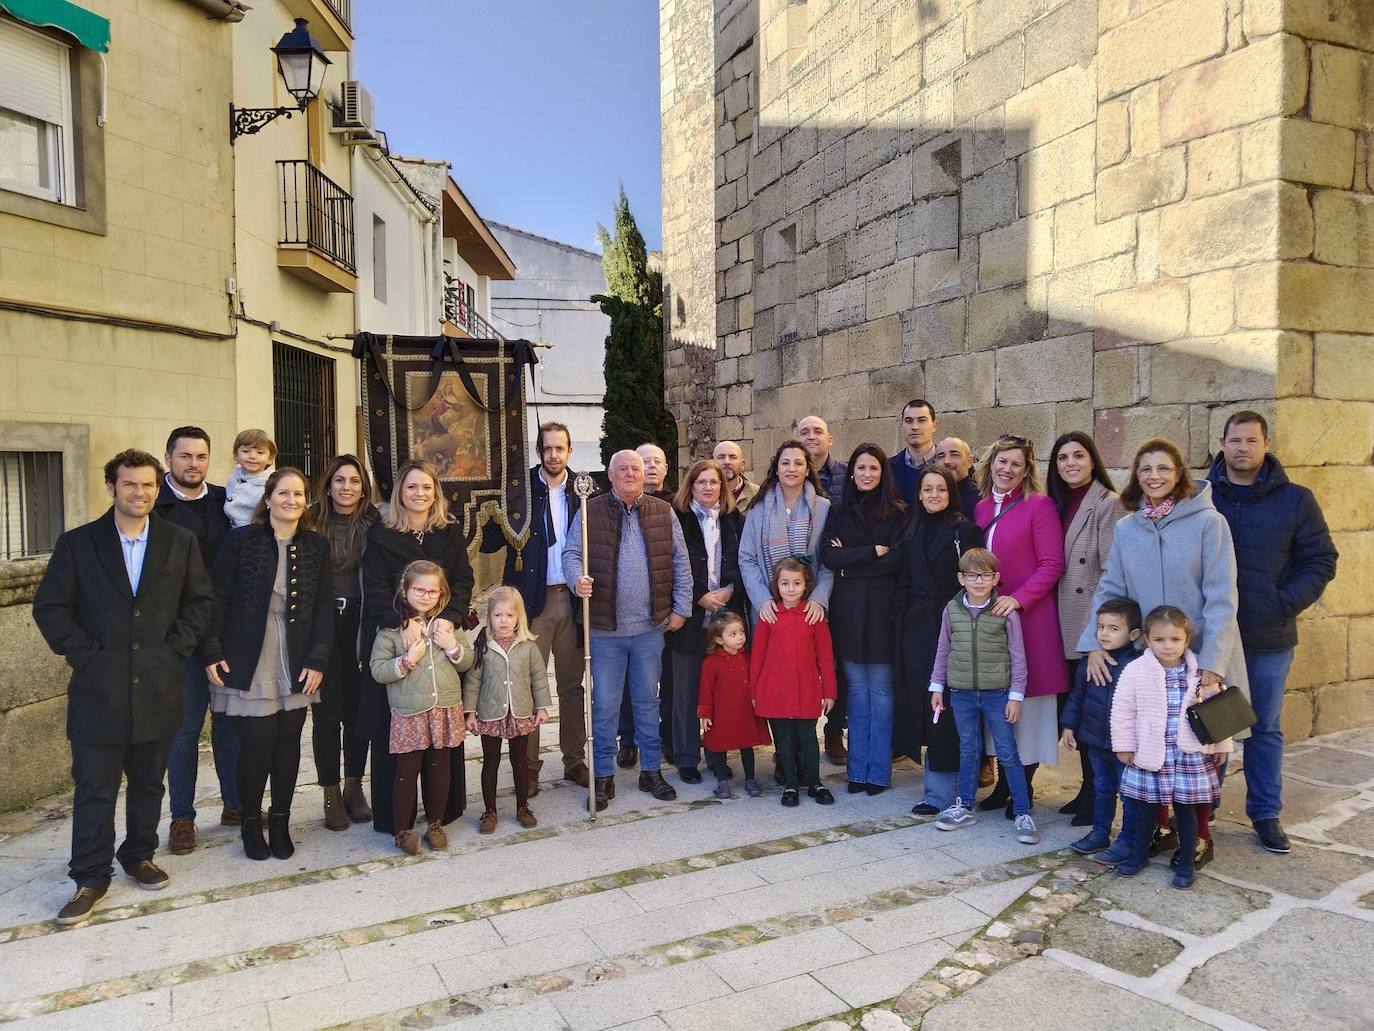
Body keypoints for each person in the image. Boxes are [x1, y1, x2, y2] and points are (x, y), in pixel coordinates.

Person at [34, 449, 216, 926]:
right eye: (131, 484)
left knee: (149, 782)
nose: (141, 493)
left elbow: (200, 602)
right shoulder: (78, 544)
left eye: (149, 485)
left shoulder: (180, 542)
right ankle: (90, 876)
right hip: (99, 689)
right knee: (94, 788)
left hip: (158, 684)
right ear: (112, 487)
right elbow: (51, 608)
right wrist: (85, 654)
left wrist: (174, 649)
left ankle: (138, 854)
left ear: (159, 488)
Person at [1207, 410, 1338, 854]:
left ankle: (1264, 812)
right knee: (1213, 724)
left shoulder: (1296, 500)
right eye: (1235, 440)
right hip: (1215, 638)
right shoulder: (1202, 497)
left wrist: (1283, 603)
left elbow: (1320, 560)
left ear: (1266, 445)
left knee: (1263, 726)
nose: (1242, 448)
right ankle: (1203, 807)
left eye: (1251, 441)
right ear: (1222, 443)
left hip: (1268, 636)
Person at [202, 468, 333, 861]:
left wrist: (317, 658)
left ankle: (280, 820)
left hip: (295, 655)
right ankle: (248, 823)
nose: (291, 500)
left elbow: (324, 606)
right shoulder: (241, 540)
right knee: (257, 745)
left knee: (288, 744)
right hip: (248, 654)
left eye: (298, 494)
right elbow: (214, 599)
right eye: (283, 493)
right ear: (269, 498)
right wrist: (210, 650)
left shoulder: (315, 545)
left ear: (305, 500)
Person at [563, 450, 693, 810]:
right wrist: (577, 580)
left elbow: (679, 560)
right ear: (610, 473)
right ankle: (603, 775)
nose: (631, 474)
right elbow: (571, 554)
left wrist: (682, 606)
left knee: (647, 702)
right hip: (606, 631)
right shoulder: (591, 511)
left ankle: (651, 770)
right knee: (604, 704)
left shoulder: (663, 511)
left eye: (636, 468)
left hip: (650, 629)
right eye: (623, 469)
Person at [361, 459, 475, 835]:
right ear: (399, 492)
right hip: (398, 633)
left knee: (441, 733)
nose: (420, 494)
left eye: (426, 487)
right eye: (412, 487)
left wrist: (451, 617)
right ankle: (398, 821)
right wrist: (401, 619)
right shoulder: (381, 535)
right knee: (399, 732)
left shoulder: (450, 532)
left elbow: (462, 578)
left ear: (435, 493)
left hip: (442, 632)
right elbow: (374, 584)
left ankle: (442, 813)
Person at [479, 421, 588, 790]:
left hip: (572, 600)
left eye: (560, 448)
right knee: (526, 686)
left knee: (572, 686)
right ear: (538, 451)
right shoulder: (519, 490)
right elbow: (490, 542)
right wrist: (487, 507)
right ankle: (528, 769)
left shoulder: (584, 490)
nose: (554, 455)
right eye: (547, 448)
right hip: (531, 602)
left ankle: (574, 760)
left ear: (569, 451)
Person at [973, 436, 1068, 818]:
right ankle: (1003, 785)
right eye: (1001, 461)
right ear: (990, 463)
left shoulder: (1039, 506)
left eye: (1016, 464)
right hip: (989, 623)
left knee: (1026, 706)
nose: (1007, 469)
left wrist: (1019, 598)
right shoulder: (980, 508)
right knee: (995, 704)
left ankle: (1022, 787)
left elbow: (1051, 564)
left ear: (1026, 470)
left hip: (1029, 621)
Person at [156, 426, 237, 856]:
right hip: (180, 638)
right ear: (168, 458)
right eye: (185, 456)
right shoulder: (155, 507)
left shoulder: (228, 501)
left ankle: (235, 803)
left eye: (201, 456)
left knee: (229, 723)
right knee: (185, 729)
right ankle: (182, 818)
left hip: (225, 633)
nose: (193, 464)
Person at [1111, 606, 1232, 889]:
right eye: (1160, 640)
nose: (1168, 646)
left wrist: (1222, 745)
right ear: (1147, 640)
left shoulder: (1201, 672)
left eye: (1175, 640)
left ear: (1186, 640)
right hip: (1150, 753)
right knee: (1144, 810)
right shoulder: (1135, 671)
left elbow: (1218, 711)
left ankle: (1187, 863)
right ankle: (1138, 855)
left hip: (1188, 756)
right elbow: (1123, 710)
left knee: (1186, 810)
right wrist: (1124, 745)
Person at [739, 438, 839, 767]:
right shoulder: (757, 508)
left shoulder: (823, 508)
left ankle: (804, 753)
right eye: (785, 463)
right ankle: (784, 758)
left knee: (806, 678)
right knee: (775, 679)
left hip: (808, 610)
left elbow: (827, 561)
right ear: (776, 468)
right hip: (769, 609)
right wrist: (763, 600)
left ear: (808, 468)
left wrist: (820, 599)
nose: (792, 468)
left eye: (798, 463)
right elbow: (748, 559)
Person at [929, 548, 1039, 844]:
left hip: (997, 694)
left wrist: (1016, 695)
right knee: (968, 749)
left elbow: (1018, 656)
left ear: (996, 578)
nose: (979, 581)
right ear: (961, 578)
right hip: (961, 693)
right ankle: (964, 805)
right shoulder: (951, 609)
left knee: (1007, 752)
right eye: (973, 575)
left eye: (986, 575)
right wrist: (937, 687)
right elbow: (943, 650)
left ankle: (1023, 812)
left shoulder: (1005, 611)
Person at [895, 467, 986, 814]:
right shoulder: (910, 527)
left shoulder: (965, 530)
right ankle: (937, 784)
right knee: (924, 702)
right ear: (918, 493)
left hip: (953, 623)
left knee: (946, 706)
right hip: (916, 625)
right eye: (927, 489)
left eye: (941, 490)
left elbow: (978, 580)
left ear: (951, 494)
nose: (934, 495)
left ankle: (940, 792)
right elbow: (903, 576)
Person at [1048, 431, 1127, 826]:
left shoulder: (1107, 503)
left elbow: (1113, 572)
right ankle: (1086, 790)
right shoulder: (1057, 503)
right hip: (1060, 621)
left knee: (1095, 717)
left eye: (1078, 456)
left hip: (1089, 623)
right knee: (1075, 713)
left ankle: (1099, 797)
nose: (1070, 464)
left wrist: (1098, 636)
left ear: (1093, 460)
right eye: (1063, 458)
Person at [370, 560, 474, 853]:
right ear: (405, 591)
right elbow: (377, 669)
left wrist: (453, 646)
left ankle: (435, 823)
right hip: (409, 712)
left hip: (445, 707)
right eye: (419, 590)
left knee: (440, 768)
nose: (426, 596)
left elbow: (467, 661)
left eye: (433, 591)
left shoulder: (447, 625)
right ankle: (402, 831)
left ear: (442, 594)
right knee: (406, 771)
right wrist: (405, 661)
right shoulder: (392, 630)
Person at [820, 443, 905, 795]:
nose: (866, 474)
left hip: (884, 612)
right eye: (861, 468)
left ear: (882, 473)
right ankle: (857, 772)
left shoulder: (899, 513)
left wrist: (850, 560)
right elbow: (828, 556)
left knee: (882, 691)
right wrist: (871, 552)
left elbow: (898, 560)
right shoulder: (838, 512)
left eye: (873, 468)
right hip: (850, 612)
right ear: (851, 472)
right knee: (855, 690)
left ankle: (878, 772)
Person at [307, 455, 379, 830]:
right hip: (322, 625)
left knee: (356, 710)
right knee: (325, 713)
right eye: (339, 480)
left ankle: (355, 786)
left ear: (363, 486)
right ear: (329, 484)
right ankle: (330, 792)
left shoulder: (374, 522)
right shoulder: (311, 520)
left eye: (353, 481)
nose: (346, 488)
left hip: (360, 621)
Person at [666, 459, 744, 783]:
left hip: (723, 616)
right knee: (685, 691)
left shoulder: (734, 519)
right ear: (691, 486)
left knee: (720, 691)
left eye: (714, 482)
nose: (708, 487)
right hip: (690, 613)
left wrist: (728, 589)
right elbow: (669, 564)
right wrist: (698, 595)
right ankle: (686, 757)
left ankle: (716, 753)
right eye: (701, 482)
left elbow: (745, 559)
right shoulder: (678, 519)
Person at [750, 558, 837, 807]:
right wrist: (756, 691)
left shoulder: (814, 615)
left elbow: (825, 655)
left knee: (809, 737)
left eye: (796, 583)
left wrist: (829, 691)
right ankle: (790, 784)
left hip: (807, 688)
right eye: (785, 583)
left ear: (805, 584)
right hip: (775, 689)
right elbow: (758, 656)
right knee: (784, 740)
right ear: (776, 585)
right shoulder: (769, 615)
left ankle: (815, 782)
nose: (791, 588)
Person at [464, 587, 551, 832]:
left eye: (509, 615)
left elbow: (539, 677)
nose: (503, 621)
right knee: (490, 762)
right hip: (491, 712)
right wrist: (470, 712)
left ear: (518, 617)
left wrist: (542, 706)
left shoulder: (528, 646)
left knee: (519, 761)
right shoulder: (483, 645)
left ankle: (522, 806)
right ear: (489, 616)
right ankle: (489, 811)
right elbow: (473, 681)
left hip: (520, 712)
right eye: (498, 615)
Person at [1060, 598, 1142, 857]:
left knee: (1128, 794)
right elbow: (1078, 696)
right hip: (1096, 740)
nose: (1104, 633)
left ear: (1134, 634)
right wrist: (1069, 726)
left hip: (1125, 746)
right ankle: (1099, 832)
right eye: (1101, 627)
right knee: (1102, 789)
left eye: (1113, 628)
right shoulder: (1091, 662)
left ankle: (1128, 839)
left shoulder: (1138, 665)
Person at [698, 612, 770, 798]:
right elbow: (705, 690)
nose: (740, 637)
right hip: (722, 714)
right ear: (719, 639)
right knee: (720, 746)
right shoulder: (710, 663)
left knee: (747, 745)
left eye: (741, 632)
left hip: (745, 711)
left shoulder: (748, 657)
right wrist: (705, 714)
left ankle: (750, 779)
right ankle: (722, 781)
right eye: (733, 634)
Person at [889, 400, 939, 506]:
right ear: (902, 426)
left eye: (921, 420)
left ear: (934, 425)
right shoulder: (887, 468)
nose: (915, 427)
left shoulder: (950, 465)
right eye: (908, 421)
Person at [223, 429, 276, 529]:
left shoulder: (273, 483)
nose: (252, 456)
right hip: (232, 532)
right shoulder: (233, 479)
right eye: (246, 451)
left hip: (260, 533)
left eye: (260, 452)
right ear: (236, 455)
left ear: (270, 458)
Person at [932, 436, 982, 519]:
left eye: (954, 455)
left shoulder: (981, 500)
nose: (947, 461)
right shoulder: (929, 498)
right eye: (941, 456)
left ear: (969, 461)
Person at [713, 439, 760, 513]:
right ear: (712, 463)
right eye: (721, 457)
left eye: (732, 457)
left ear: (742, 464)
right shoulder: (704, 494)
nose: (727, 462)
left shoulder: (758, 494)